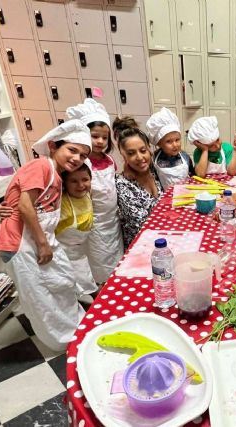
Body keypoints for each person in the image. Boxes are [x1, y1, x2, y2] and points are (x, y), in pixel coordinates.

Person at [0, 120, 91, 351]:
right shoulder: (41, 166)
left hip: (41, 240)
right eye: (72, 150)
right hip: (21, 244)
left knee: (63, 282)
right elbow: (25, 206)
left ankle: (76, 327)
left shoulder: (57, 175)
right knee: (40, 297)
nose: (77, 158)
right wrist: (42, 244)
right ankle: (62, 341)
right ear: (53, 146)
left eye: (83, 155)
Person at [66, 99, 123, 284]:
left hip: (113, 221)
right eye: (95, 136)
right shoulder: (81, 164)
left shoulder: (109, 160)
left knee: (117, 259)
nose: (100, 141)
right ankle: (102, 290)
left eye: (104, 137)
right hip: (95, 225)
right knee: (99, 262)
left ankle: (116, 285)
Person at [115, 126, 163, 248]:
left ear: (149, 150)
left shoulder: (154, 172)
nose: (140, 157)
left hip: (163, 239)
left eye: (143, 150)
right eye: (131, 153)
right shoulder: (123, 185)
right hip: (141, 247)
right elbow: (141, 225)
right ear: (124, 156)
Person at [55, 164, 97, 297]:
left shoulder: (88, 195)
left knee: (86, 283)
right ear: (65, 183)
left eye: (85, 179)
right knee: (68, 289)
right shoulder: (61, 203)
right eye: (74, 181)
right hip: (61, 255)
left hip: (79, 252)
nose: (81, 185)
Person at [147, 108, 194, 190]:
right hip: (165, 196)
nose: (175, 145)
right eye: (168, 141)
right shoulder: (154, 160)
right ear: (159, 143)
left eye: (177, 140)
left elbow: (192, 175)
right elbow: (153, 181)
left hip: (186, 194)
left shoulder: (185, 156)